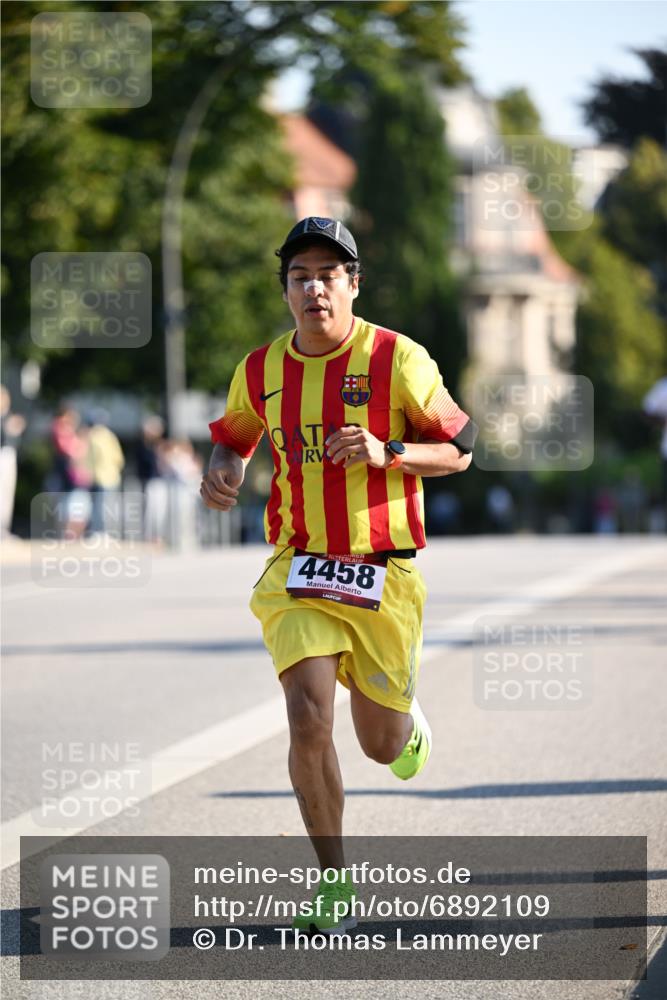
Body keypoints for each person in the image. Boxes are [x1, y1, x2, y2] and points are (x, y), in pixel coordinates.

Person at [200, 217, 476, 934]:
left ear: (353, 284)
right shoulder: (259, 370)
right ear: (285, 291)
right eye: (300, 276)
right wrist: (223, 469)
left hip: (382, 572)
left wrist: (389, 452)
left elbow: (459, 449)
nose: (314, 288)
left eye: (328, 275)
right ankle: (334, 882)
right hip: (297, 568)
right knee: (307, 716)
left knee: (379, 746)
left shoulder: (397, 358)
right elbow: (234, 437)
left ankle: (403, 724)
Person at [84, 409, 125, 535]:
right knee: (107, 506)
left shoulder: (92, 436)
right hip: (111, 477)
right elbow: (119, 459)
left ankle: (98, 531)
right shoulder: (110, 436)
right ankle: (106, 531)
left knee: (98, 506)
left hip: (98, 477)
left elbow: (89, 459)